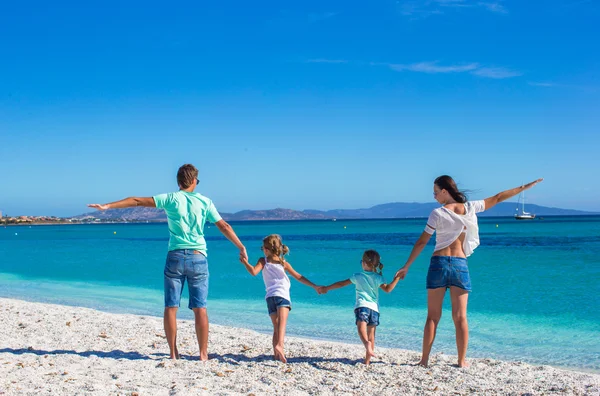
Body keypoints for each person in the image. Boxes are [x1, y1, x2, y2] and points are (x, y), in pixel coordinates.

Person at [88, 164, 247, 361]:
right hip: (198, 257)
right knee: (200, 308)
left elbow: (136, 201)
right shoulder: (205, 202)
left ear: (179, 182)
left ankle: (173, 353)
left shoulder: (171, 199)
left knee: (171, 307)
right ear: (195, 181)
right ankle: (203, 354)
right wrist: (240, 246)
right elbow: (224, 225)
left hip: (175, 256)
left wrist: (107, 206)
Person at [395, 176, 543, 368]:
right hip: (459, 264)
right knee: (460, 317)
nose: (434, 196)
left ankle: (424, 361)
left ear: (445, 191)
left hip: (438, 264)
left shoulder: (437, 213)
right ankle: (462, 361)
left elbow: (422, 241)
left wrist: (406, 266)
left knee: (432, 317)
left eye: (435, 192)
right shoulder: (471, 207)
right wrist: (523, 187)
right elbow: (498, 198)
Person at [240, 234, 321, 363]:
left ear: (267, 249)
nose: (262, 251)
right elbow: (299, 277)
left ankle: (276, 354)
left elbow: (253, 272)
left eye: (263, 248)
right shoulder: (284, 263)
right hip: (282, 296)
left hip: (270, 297)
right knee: (282, 325)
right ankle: (280, 347)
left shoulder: (263, 261)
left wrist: (245, 263)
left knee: (276, 326)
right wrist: (314, 286)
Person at [317, 250, 401, 365]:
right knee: (371, 335)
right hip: (374, 309)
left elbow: (341, 284)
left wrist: (327, 288)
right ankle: (367, 361)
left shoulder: (357, 276)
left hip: (362, 306)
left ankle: (366, 343)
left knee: (361, 326)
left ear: (364, 263)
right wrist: (397, 278)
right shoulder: (378, 278)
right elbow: (388, 289)